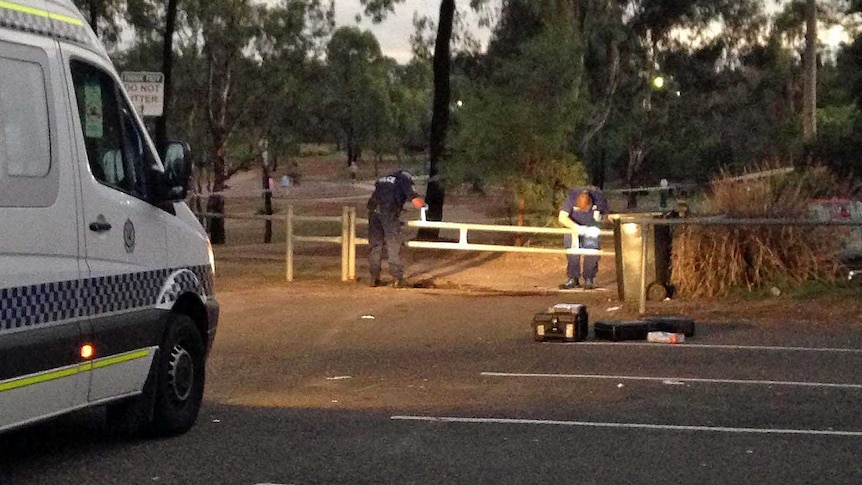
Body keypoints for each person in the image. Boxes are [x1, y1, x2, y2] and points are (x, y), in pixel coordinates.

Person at [367, 170, 425, 287]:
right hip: (389, 214)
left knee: (375, 245)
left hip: (373, 214)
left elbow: (375, 199)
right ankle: (397, 278)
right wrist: (424, 204)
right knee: (393, 244)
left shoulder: (382, 180)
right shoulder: (403, 180)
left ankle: (374, 278)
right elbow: (417, 202)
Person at [558, 187, 609, 290]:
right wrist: (576, 228)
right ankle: (573, 278)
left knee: (592, 250)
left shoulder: (598, 197)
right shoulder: (572, 196)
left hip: (591, 225)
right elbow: (562, 218)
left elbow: (606, 215)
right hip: (573, 225)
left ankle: (589, 278)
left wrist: (600, 218)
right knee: (572, 251)